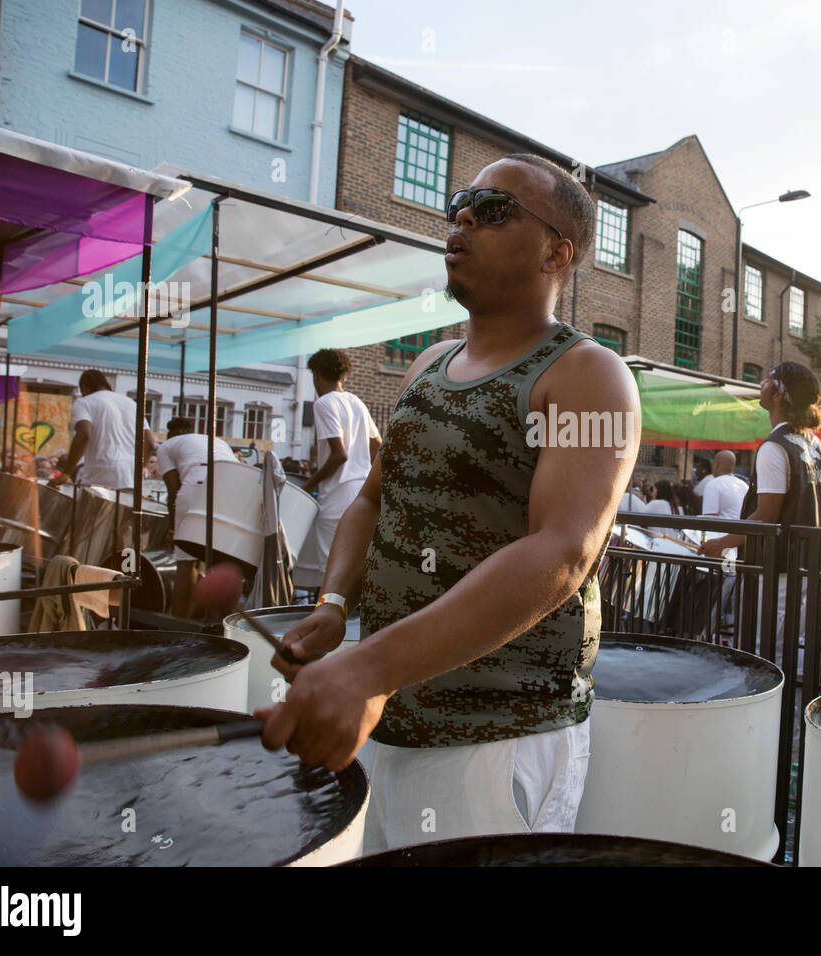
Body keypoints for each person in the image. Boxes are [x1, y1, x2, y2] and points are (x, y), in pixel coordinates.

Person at [258, 153, 639, 853]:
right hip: (388, 715)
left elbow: (563, 551)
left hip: (497, 735)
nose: (462, 216)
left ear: (558, 251)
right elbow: (372, 499)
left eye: (494, 209)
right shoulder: (428, 365)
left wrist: (370, 667)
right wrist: (333, 610)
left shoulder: (588, 373)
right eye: (460, 203)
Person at [700, 361, 821, 664]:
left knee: (762, 649)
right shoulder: (816, 443)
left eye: (768, 379)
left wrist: (722, 543)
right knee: (784, 645)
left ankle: (766, 709)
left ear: (779, 393)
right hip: (804, 562)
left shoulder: (774, 447)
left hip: (777, 566)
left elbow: (766, 515)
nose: (762, 383)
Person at [295, 349, 382, 585]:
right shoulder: (357, 402)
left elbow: (339, 455)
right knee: (360, 568)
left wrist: (308, 484)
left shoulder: (324, 403)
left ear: (317, 376)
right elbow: (378, 447)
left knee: (331, 573)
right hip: (362, 497)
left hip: (337, 498)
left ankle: (331, 620)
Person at [156, 416, 239, 616]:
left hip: (196, 483)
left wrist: (173, 529)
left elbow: (174, 490)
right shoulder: (216, 441)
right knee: (221, 561)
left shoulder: (166, 446)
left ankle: (180, 624)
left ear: (171, 434)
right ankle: (223, 623)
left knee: (187, 562)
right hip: (233, 484)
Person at [49, 370, 154, 489]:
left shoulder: (84, 402)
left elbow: (84, 435)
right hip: (130, 477)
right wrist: (141, 469)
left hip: (100, 474)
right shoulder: (132, 404)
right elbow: (150, 443)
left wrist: (66, 473)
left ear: (84, 387)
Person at [700, 450, 748, 520]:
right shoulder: (744, 485)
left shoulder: (713, 484)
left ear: (716, 465)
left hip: (724, 529)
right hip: (744, 529)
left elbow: (709, 520)